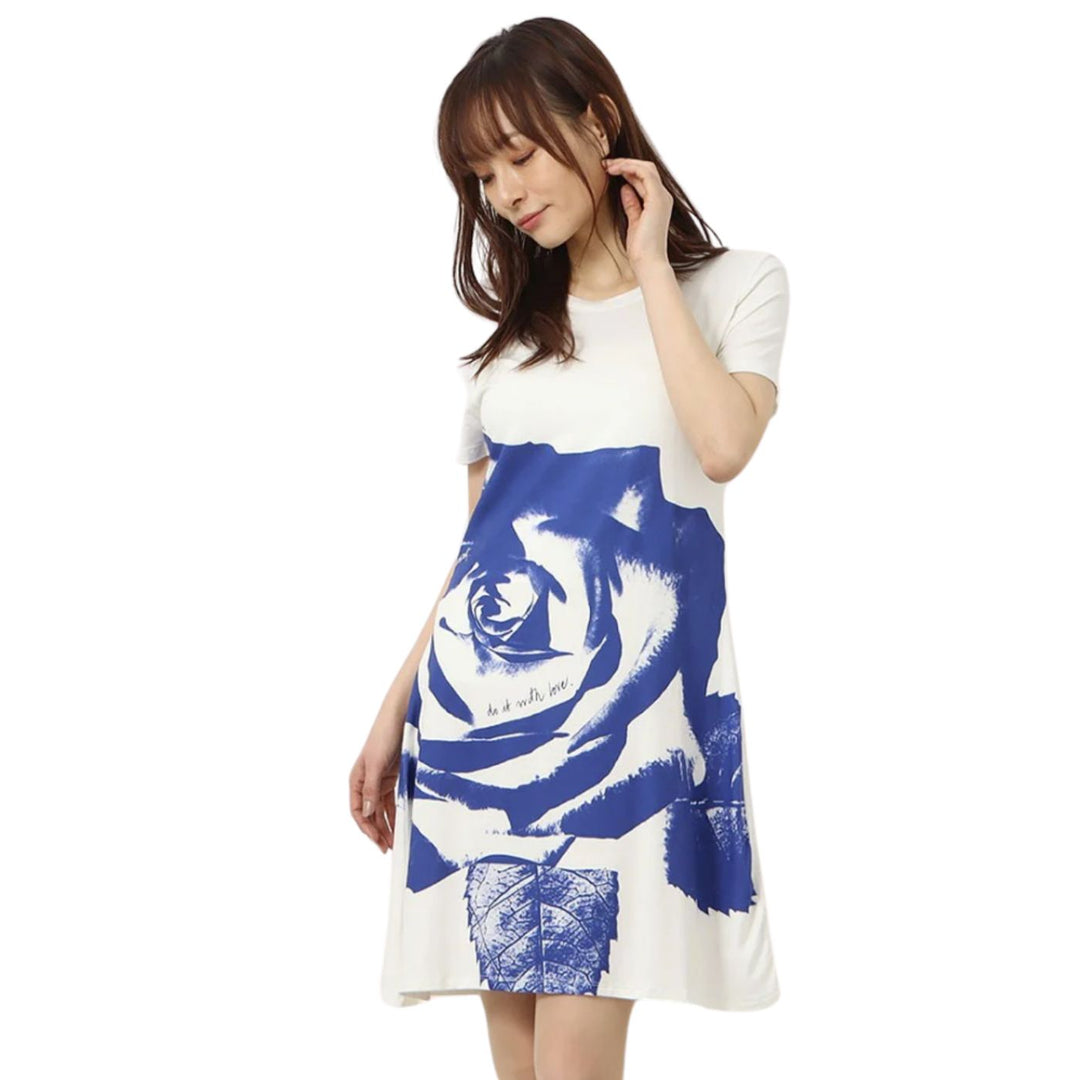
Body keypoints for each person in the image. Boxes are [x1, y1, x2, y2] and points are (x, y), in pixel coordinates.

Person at [349, 16, 790, 1079]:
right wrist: (393, 709)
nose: (504, 193)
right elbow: (479, 555)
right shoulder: (504, 355)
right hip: (477, 730)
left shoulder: (737, 286)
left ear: (598, 124)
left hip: (624, 732)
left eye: (519, 155)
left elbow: (723, 446)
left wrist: (649, 266)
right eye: (481, 175)